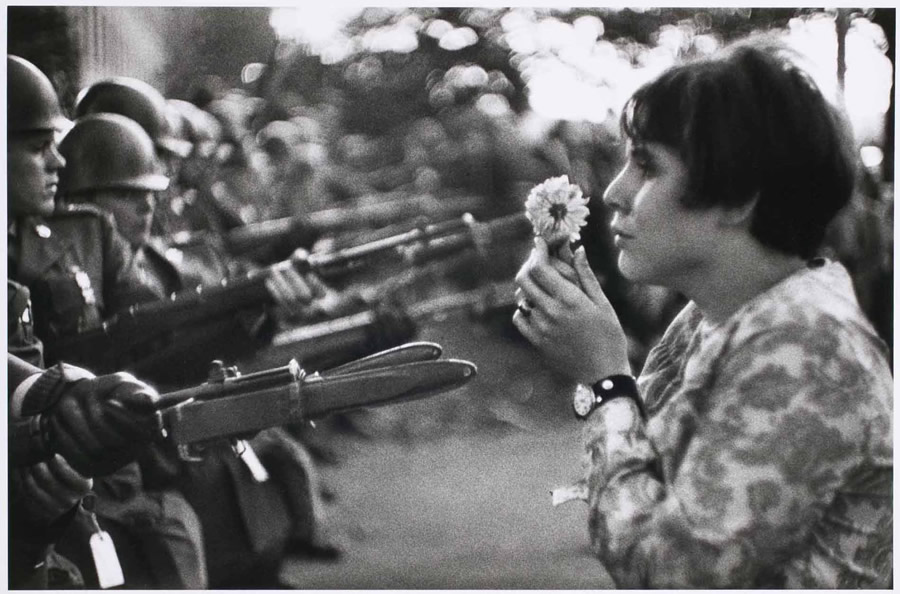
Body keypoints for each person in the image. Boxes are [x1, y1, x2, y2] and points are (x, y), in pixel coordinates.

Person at [512, 39, 892, 588]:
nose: (615, 192)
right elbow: (647, 481)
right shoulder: (716, 317)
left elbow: (673, 573)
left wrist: (603, 382)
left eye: (646, 166)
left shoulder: (807, 343)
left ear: (739, 197)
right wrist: (598, 365)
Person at [8, 53, 208, 590]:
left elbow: (154, 324)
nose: (59, 163)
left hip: (64, 467)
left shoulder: (68, 241)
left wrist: (248, 313)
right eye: (36, 146)